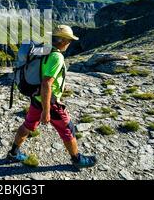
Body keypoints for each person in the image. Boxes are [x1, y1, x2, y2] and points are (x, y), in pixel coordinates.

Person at [7, 25, 97, 169]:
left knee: (28, 125)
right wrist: (46, 111)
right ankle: (77, 159)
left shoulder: (44, 49)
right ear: (63, 41)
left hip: (36, 97)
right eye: (69, 41)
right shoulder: (56, 56)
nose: (69, 43)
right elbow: (46, 83)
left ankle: (13, 153)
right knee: (68, 129)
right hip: (49, 101)